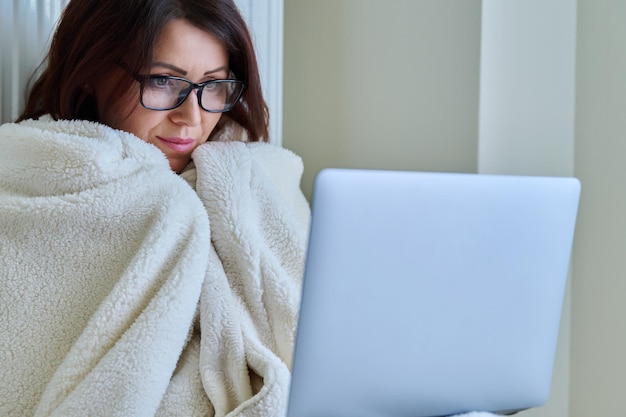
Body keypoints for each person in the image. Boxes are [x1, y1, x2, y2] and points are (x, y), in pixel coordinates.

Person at [0, 1, 310, 416]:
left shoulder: (257, 182)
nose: (191, 116)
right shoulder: (35, 182)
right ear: (91, 70)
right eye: (164, 80)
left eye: (213, 85)